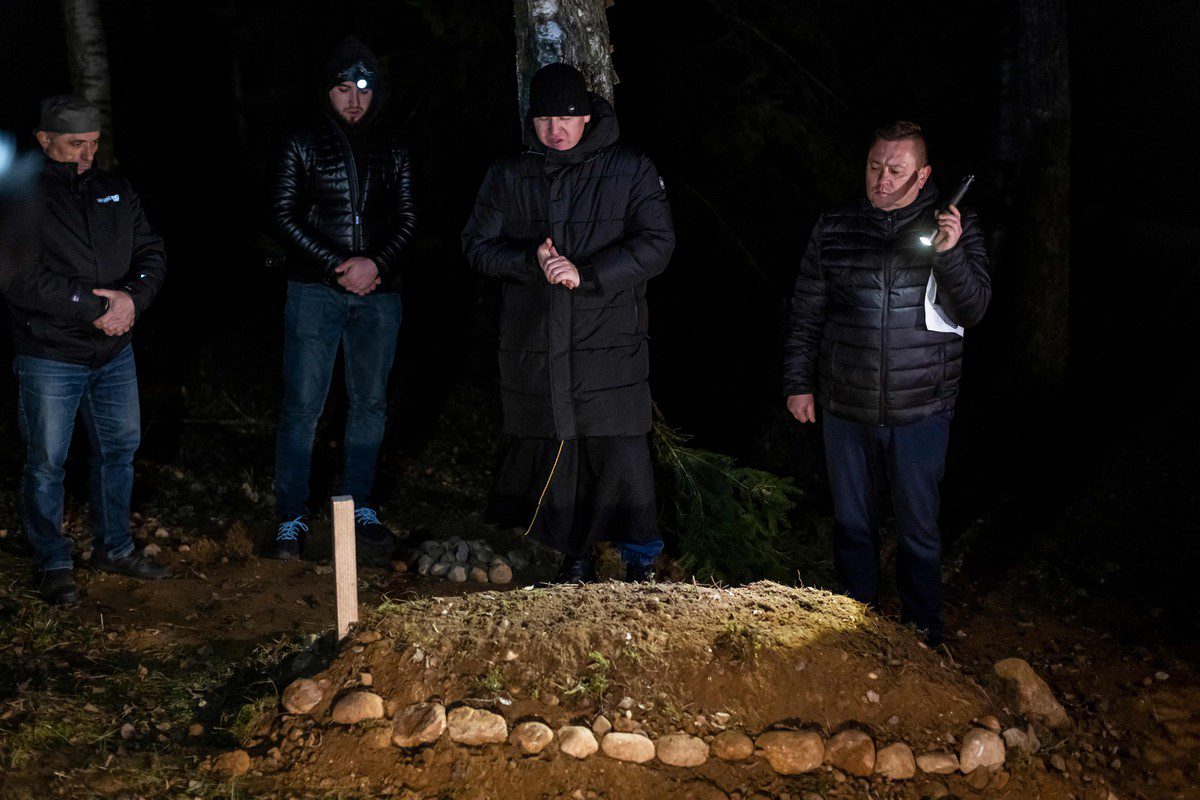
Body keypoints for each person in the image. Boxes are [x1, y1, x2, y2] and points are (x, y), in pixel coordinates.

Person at [462, 62, 675, 582]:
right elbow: (476, 246)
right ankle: (574, 556)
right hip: (536, 340)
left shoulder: (631, 167)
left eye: (565, 116)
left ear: (586, 117)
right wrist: (527, 261)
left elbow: (657, 244)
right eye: (542, 117)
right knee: (564, 452)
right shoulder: (509, 173)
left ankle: (641, 560)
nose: (553, 128)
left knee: (622, 451)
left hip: (610, 341)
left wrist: (590, 273)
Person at [782, 121, 991, 646]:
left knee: (918, 528)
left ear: (922, 175)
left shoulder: (955, 228)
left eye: (895, 170)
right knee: (853, 523)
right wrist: (797, 382)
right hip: (844, 403)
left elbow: (975, 308)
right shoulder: (835, 226)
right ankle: (858, 623)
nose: (881, 178)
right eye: (875, 166)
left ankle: (923, 629)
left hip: (922, 406)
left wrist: (948, 253)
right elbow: (807, 310)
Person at [2, 96, 169, 606]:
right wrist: (89, 305)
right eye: (77, 144)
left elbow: (151, 251)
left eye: (94, 144)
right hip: (50, 351)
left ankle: (114, 547)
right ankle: (53, 559)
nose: (86, 155)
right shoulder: (23, 195)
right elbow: (19, 276)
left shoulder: (113, 189)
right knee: (47, 459)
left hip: (115, 350)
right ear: (44, 139)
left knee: (118, 450)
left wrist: (133, 299)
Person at [268, 36, 417, 561]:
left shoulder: (395, 145)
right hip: (314, 292)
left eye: (364, 88)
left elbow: (409, 217)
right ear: (326, 92)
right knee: (303, 406)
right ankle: (290, 517)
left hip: (380, 294)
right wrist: (338, 265)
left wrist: (375, 264)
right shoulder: (301, 142)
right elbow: (283, 216)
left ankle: (361, 506)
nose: (354, 98)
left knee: (370, 403)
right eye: (343, 88)